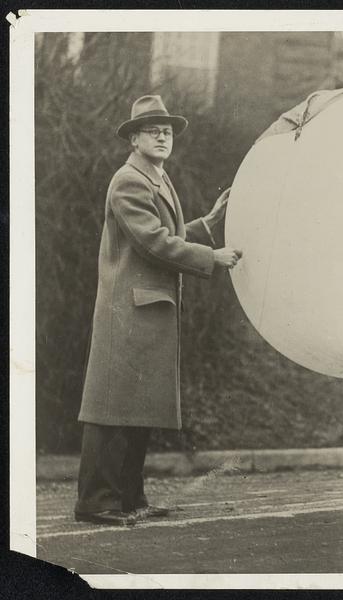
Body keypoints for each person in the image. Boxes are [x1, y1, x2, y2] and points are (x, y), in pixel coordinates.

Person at [74, 95, 243, 526]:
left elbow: (164, 233)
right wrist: (211, 256)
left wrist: (206, 223)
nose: (163, 135)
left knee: (136, 409)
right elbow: (152, 242)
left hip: (145, 310)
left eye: (167, 130)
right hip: (128, 312)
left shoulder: (155, 178)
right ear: (133, 138)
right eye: (153, 130)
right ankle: (96, 503)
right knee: (113, 410)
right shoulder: (129, 180)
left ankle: (128, 499)